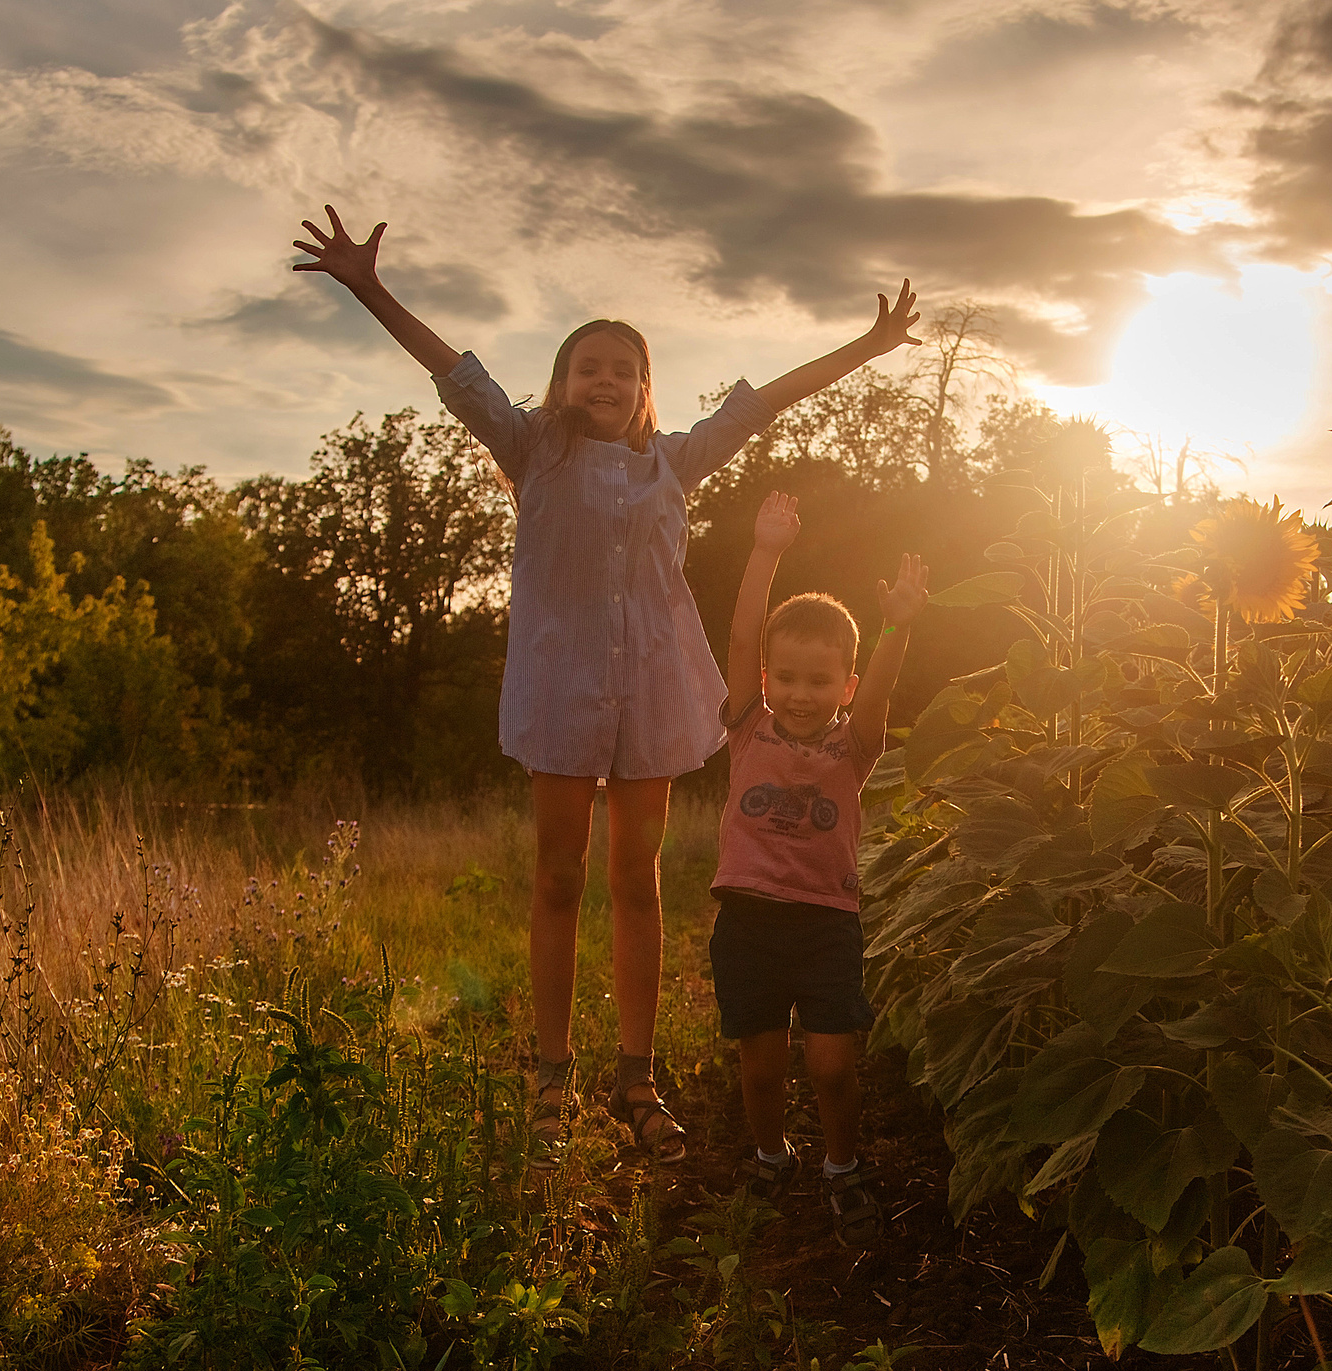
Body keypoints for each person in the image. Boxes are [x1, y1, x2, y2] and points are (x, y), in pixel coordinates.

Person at [291, 207, 921, 1166]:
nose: (605, 379)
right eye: (587, 366)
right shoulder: (531, 450)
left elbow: (769, 402)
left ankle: (637, 1077)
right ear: (562, 384)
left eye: (623, 369)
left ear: (643, 390)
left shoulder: (675, 461)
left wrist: (870, 347)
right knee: (557, 876)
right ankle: (551, 1073)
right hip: (563, 692)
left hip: (657, 693)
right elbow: (454, 372)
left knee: (638, 881)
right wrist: (370, 287)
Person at [711, 489, 926, 1244]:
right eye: (788, 678)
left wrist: (899, 619)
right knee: (762, 1066)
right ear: (769, 680)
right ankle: (772, 1153)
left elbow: (889, 677)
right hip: (748, 924)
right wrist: (766, 550)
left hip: (826, 924)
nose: (801, 695)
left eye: (820, 681)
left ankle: (841, 1164)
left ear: (847, 687)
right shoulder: (747, 726)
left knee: (833, 1065)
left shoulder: (854, 746)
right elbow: (741, 641)